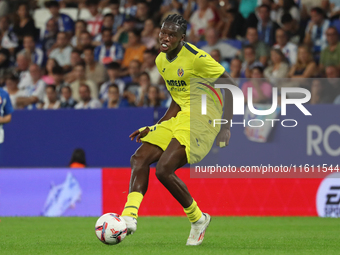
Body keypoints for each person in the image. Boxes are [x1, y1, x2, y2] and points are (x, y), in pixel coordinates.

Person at [120, 14, 233, 246]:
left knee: (163, 170)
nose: (165, 38)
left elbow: (230, 84)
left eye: (172, 35)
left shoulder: (197, 58)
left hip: (203, 117)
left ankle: (198, 219)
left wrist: (226, 124)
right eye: (163, 32)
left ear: (182, 38)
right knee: (139, 158)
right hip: (181, 116)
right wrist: (155, 127)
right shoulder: (161, 60)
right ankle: (129, 217)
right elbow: (177, 99)